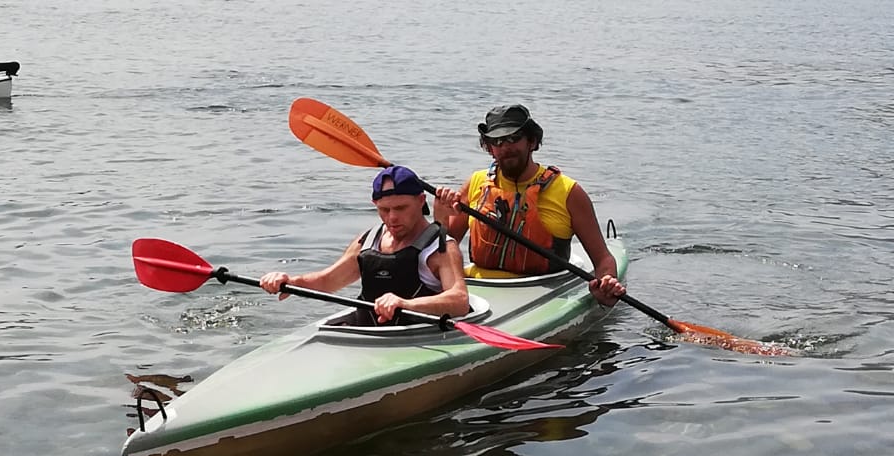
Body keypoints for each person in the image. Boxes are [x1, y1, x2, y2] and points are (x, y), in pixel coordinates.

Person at [434, 103, 627, 305]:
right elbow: (443, 249)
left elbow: (603, 259)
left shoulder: (569, 192)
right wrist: (440, 220)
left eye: (514, 138)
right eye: (497, 141)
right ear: (490, 148)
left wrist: (607, 282)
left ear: (532, 142)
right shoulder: (476, 183)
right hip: (480, 287)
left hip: (541, 290)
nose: (506, 148)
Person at [260, 164, 469, 326]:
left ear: (421, 201)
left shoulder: (440, 247)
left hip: (419, 338)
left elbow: (459, 301)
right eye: (384, 210)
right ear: (374, 205)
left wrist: (406, 304)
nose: (393, 218)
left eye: (401, 208)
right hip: (367, 335)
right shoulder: (368, 241)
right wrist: (292, 282)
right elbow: (328, 281)